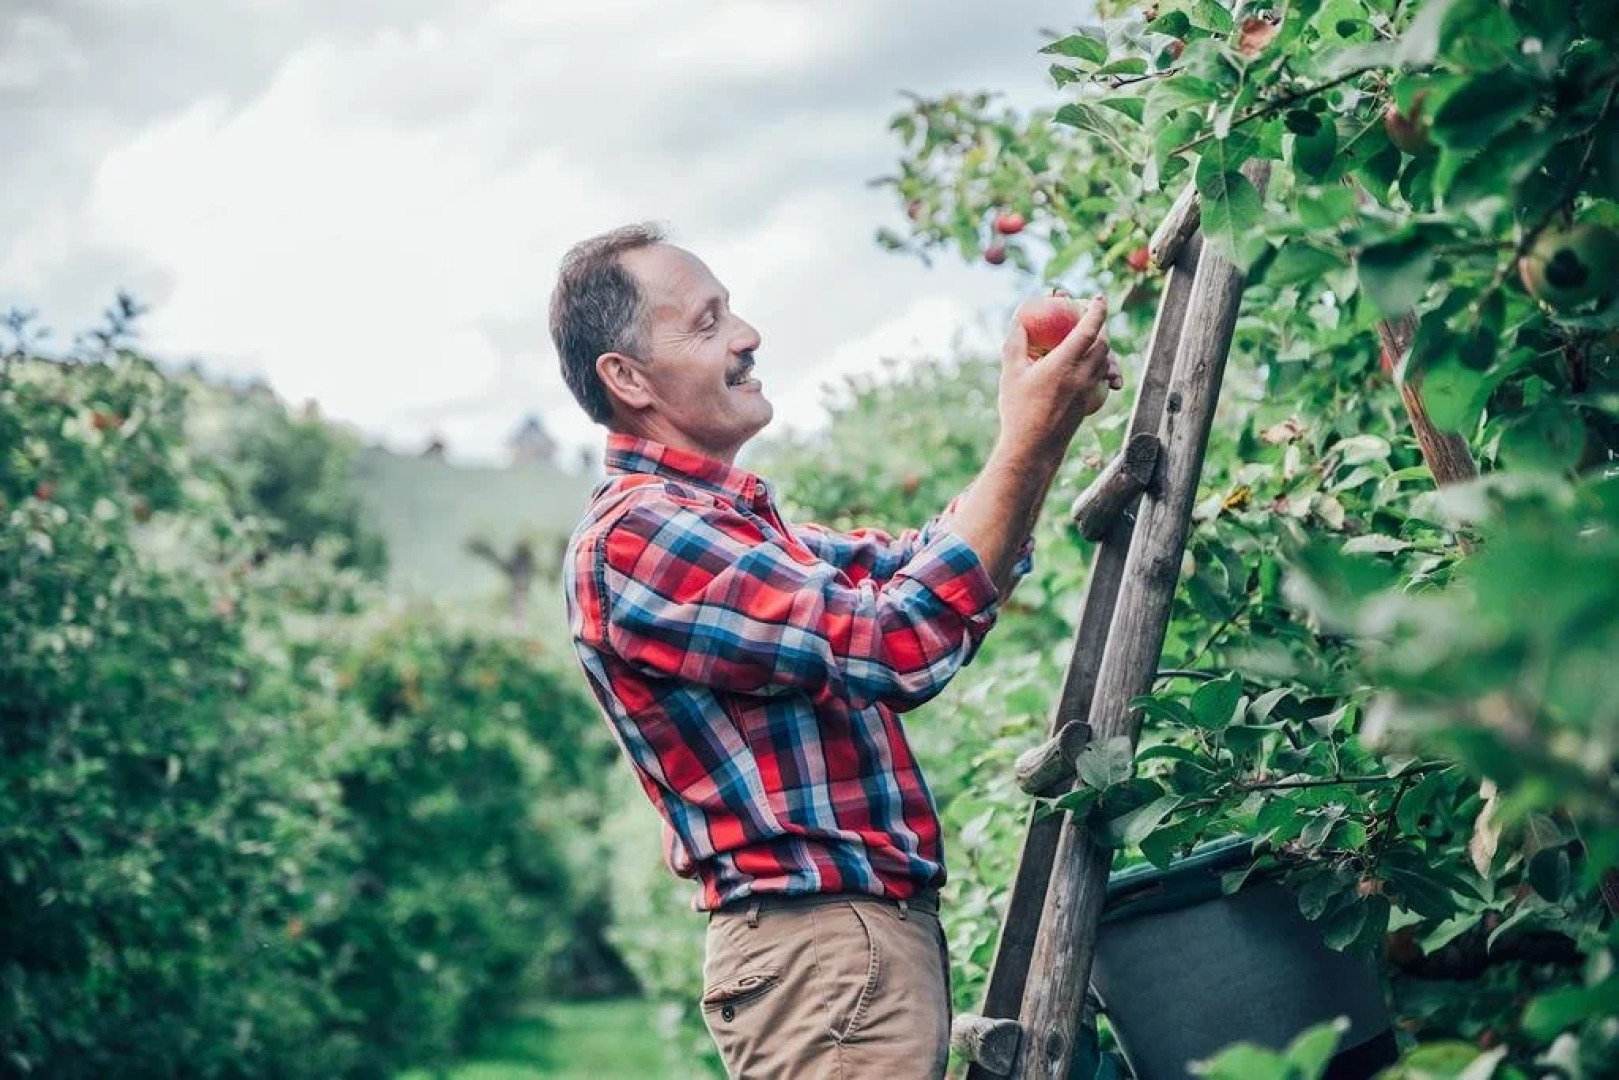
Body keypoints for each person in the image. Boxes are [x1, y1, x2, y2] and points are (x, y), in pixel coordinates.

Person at [553, 223, 1120, 1078]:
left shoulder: (731, 526)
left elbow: (920, 569)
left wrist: (1038, 426)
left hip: (842, 950)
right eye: (707, 323)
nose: (746, 335)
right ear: (626, 378)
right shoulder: (640, 536)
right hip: (819, 953)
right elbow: (897, 642)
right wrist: (1027, 438)